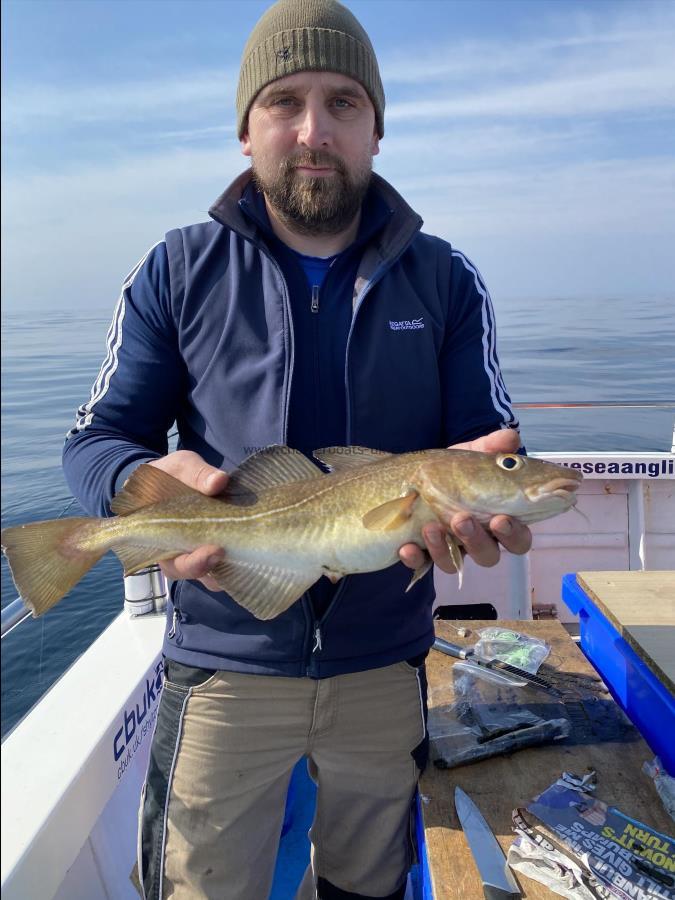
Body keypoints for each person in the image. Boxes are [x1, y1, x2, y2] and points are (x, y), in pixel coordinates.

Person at [63, 0, 531, 896]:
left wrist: (486, 498)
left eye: (345, 103)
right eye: (284, 101)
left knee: (368, 883)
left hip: (384, 663)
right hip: (222, 661)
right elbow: (97, 441)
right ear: (245, 129)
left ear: (376, 132)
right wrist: (139, 477)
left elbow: (484, 442)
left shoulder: (446, 280)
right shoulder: (175, 270)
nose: (313, 131)